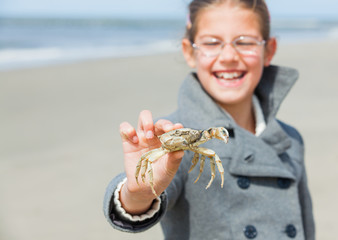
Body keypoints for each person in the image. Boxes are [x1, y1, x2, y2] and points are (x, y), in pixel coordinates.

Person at [103, 0, 315, 239]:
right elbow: (141, 196)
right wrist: (138, 193)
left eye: (245, 42)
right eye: (212, 43)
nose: (228, 56)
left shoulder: (290, 140)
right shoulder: (169, 133)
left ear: (269, 50)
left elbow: (305, 225)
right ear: (189, 51)